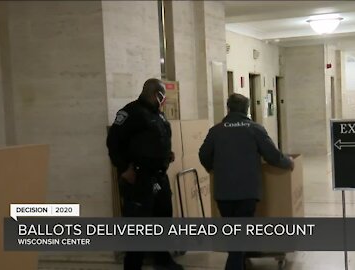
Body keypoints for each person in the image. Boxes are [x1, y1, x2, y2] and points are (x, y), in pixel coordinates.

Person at [198, 93, 294, 270]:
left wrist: (213, 168)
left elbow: (203, 154)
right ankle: (235, 264)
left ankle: (238, 260)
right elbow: (272, 156)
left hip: (223, 191)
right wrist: (289, 162)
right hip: (247, 192)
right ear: (247, 109)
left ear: (228, 108)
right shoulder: (255, 129)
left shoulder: (216, 130)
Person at [106, 78, 183, 270]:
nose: (164, 100)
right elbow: (113, 143)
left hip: (159, 176)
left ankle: (162, 260)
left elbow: (157, 139)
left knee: (163, 219)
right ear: (155, 94)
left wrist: (166, 154)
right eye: (163, 96)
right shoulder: (130, 113)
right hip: (139, 178)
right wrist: (124, 169)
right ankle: (133, 266)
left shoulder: (158, 115)